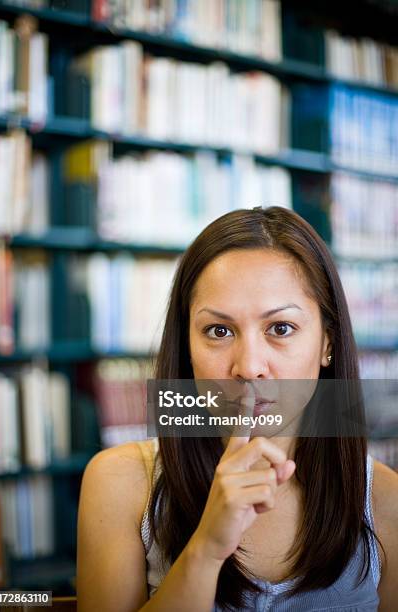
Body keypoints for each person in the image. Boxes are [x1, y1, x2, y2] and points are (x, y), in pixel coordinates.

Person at [77, 207, 398, 611]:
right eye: (219, 331)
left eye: (280, 329)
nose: (248, 367)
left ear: (327, 344)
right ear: (187, 349)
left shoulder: (386, 501)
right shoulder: (122, 484)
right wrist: (206, 550)